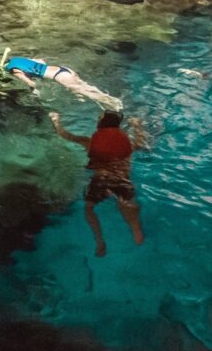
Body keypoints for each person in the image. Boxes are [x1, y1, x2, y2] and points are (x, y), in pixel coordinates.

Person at [50, 110, 146, 257]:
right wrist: (136, 125)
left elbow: (64, 134)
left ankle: (100, 240)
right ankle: (136, 232)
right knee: (126, 203)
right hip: (122, 180)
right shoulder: (128, 144)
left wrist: (55, 120)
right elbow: (141, 142)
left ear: (101, 123)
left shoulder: (89, 142)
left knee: (89, 208)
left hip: (100, 180)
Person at [0, 52, 123, 110]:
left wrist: (34, 91)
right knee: (86, 88)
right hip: (63, 70)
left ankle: (115, 104)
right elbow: (41, 62)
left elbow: (31, 83)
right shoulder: (18, 59)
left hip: (61, 77)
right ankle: (112, 101)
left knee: (89, 94)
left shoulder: (13, 70)